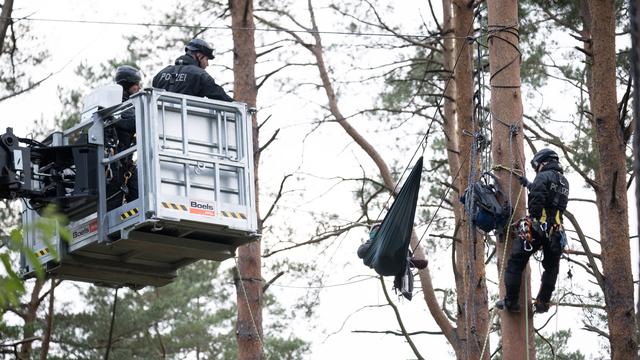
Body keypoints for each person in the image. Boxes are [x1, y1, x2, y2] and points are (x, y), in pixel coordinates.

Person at [496, 148, 569, 313]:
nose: (537, 169)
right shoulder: (564, 181)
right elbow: (552, 199)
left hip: (538, 229)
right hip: (556, 231)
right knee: (551, 268)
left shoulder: (542, 176)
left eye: (538, 166)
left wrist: (533, 216)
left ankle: (511, 302)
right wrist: (530, 185)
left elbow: (537, 203)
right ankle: (543, 302)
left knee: (516, 261)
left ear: (544, 162)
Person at [152, 38, 233, 102]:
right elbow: (219, 96)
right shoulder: (200, 75)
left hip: (160, 121)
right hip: (189, 121)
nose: (207, 64)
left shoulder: (160, 74)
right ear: (199, 55)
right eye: (207, 59)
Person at [106, 65, 141, 210]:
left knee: (137, 197)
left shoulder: (124, 103)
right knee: (115, 204)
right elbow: (134, 122)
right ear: (127, 85)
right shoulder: (121, 104)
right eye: (136, 85)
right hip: (116, 165)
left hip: (125, 164)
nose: (139, 87)